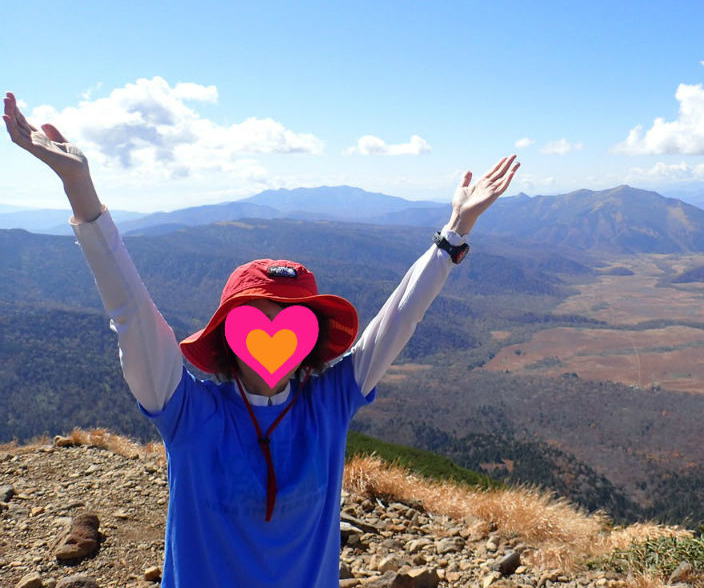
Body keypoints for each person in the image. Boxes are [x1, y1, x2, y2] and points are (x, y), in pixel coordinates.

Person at [3, 90, 519, 587]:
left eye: (295, 320)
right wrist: (80, 190)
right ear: (228, 332)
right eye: (256, 318)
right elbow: (131, 314)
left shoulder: (329, 402)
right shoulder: (187, 410)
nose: (275, 334)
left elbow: (400, 317)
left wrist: (454, 232)